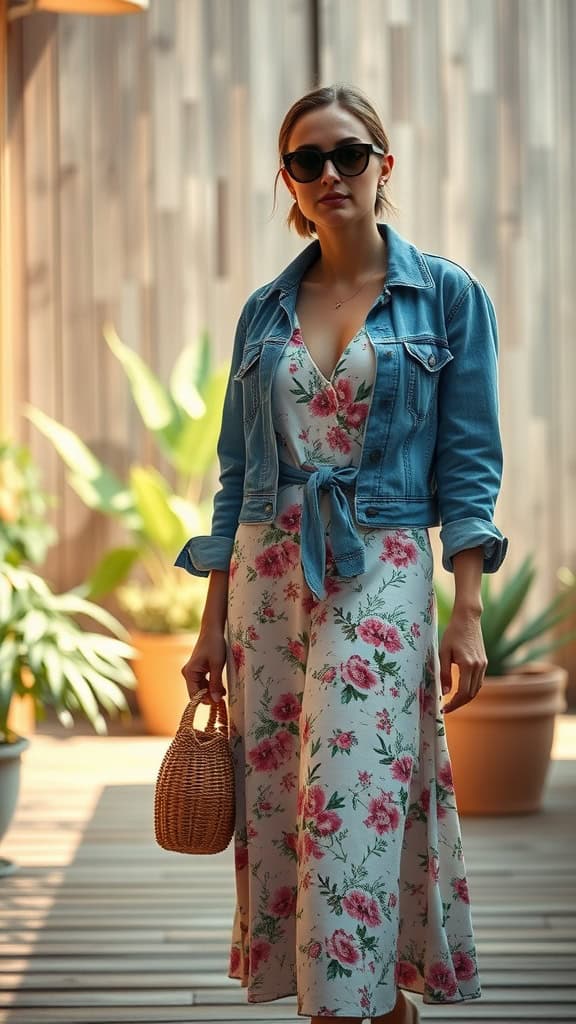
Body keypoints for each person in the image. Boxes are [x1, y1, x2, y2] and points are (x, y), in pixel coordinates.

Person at [175, 84, 508, 1024]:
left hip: (383, 571)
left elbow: (470, 464)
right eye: (307, 161)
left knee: (353, 792)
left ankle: (341, 1008)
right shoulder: (263, 313)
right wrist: (209, 626)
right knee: (288, 798)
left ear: (383, 163)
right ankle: (369, 1007)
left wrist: (470, 612)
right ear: (289, 181)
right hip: (269, 583)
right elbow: (238, 479)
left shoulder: (446, 296)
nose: (331, 175)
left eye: (349, 154)